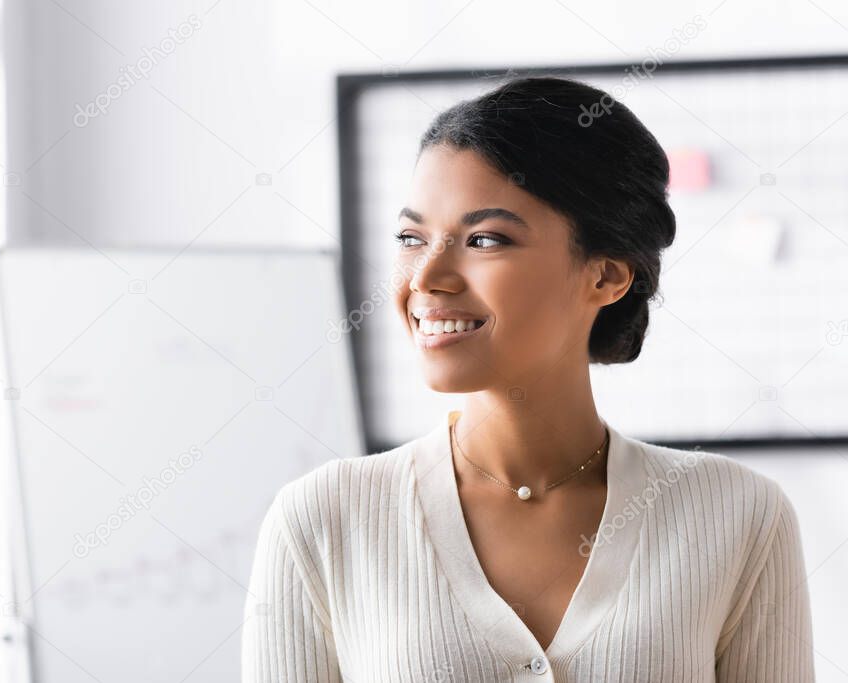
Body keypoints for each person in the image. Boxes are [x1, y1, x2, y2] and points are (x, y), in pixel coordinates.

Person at [241, 75, 815, 682]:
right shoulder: (323, 519)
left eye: (484, 239)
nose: (427, 275)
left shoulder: (738, 516)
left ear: (606, 277)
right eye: (412, 238)